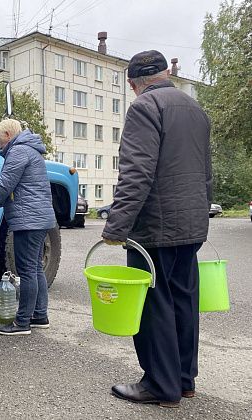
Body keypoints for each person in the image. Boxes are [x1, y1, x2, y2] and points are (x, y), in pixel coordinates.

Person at [101, 50, 212, 408]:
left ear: (134, 84)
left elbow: (136, 172)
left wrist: (117, 226)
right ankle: (183, 380)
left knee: (154, 304)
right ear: (166, 73)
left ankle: (159, 386)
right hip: (191, 224)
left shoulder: (145, 107)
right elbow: (205, 174)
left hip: (155, 227)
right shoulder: (196, 110)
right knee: (183, 300)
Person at [0, 119, 56, 336]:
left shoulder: (18, 152)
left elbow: (3, 186)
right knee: (35, 268)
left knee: (27, 270)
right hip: (39, 218)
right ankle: (39, 315)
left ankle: (22, 323)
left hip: (29, 220)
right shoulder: (32, 151)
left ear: (8, 134)